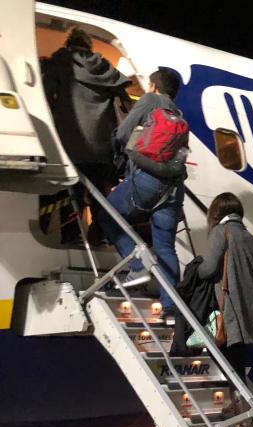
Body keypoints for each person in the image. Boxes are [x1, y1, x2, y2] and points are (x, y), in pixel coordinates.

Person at [98, 68, 185, 325]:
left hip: (147, 181)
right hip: (173, 188)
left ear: (154, 86)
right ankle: (171, 309)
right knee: (166, 247)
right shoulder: (178, 115)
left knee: (107, 214)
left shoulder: (150, 101)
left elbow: (123, 133)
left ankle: (136, 266)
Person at [41, 27, 131, 236]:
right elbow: (125, 104)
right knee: (100, 194)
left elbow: (44, 96)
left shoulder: (60, 64)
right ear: (89, 46)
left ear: (69, 43)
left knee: (71, 195)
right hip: (101, 146)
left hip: (70, 143)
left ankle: (72, 236)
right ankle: (99, 236)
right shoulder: (104, 68)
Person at [197, 193, 253, 427]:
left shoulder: (221, 233)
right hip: (251, 316)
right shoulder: (250, 238)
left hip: (231, 317)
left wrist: (194, 267)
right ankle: (237, 408)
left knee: (233, 373)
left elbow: (208, 269)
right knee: (236, 370)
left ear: (216, 212)